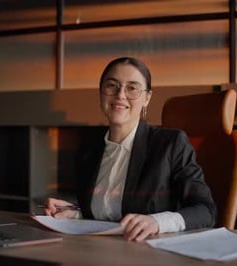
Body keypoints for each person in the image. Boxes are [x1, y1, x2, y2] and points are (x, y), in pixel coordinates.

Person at [43, 57, 216, 241]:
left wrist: (157, 222)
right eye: (112, 86)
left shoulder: (170, 144)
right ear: (101, 93)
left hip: (150, 256)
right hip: (98, 252)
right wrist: (75, 213)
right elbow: (112, 215)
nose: (120, 95)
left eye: (132, 88)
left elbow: (205, 210)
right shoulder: (88, 149)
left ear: (147, 98)